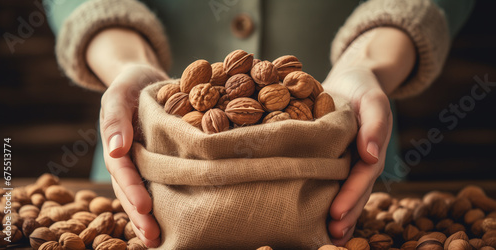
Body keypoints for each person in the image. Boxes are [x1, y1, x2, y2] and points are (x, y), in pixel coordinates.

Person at [45, 0, 473, 247]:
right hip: (152, 177)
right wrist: (127, 63)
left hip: (351, 170)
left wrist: (369, 62)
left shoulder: (293, 96)